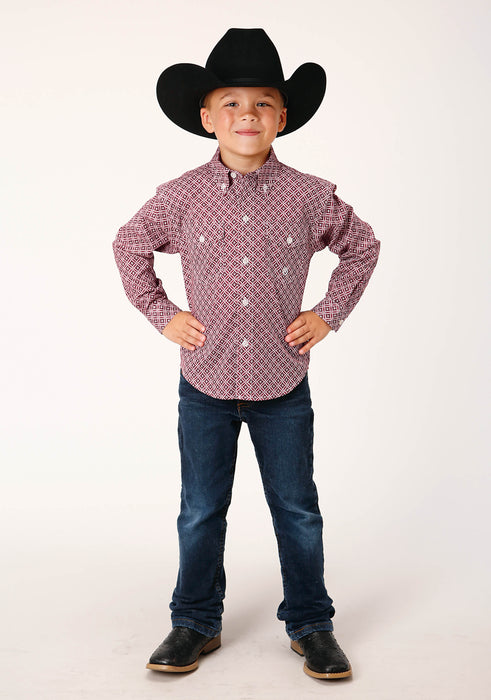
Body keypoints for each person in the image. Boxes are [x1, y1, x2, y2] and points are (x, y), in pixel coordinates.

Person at [112, 28, 381, 681]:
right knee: (201, 509)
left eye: (262, 102)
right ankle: (194, 621)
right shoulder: (180, 196)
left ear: (282, 116)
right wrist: (163, 314)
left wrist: (327, 313)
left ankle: (311, 624)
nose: (247, 115)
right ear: (207, 118)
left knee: (297, 509)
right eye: (230, 103)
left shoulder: (310, 196)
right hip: (203, 384)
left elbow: (362, 246)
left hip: (281, 385)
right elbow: (128, 245)